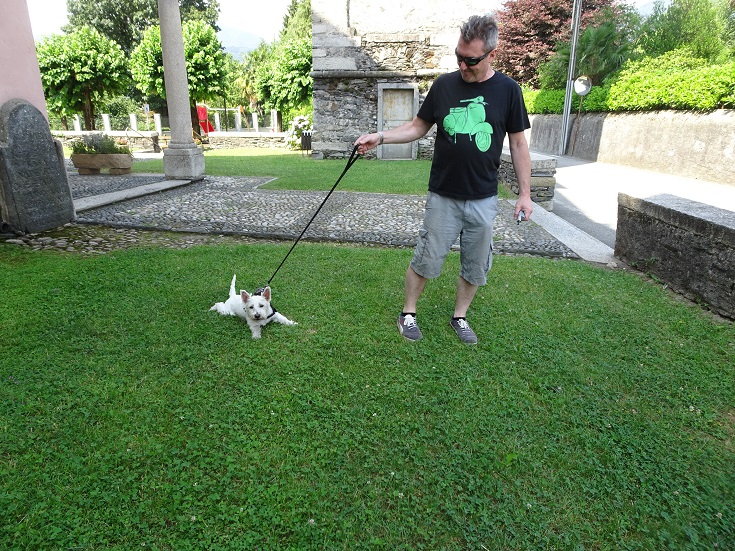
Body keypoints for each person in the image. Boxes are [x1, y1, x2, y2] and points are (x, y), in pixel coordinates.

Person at [354, 13, 533, 345]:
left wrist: (525, 194)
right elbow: (418, 126)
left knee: (476, 263)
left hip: (483, 197)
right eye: (459, 57)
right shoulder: (444, 85)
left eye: (471, 60)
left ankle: (460, 316)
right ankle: (408, 313)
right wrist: (380, 137)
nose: (463, 66)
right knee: (427, 256)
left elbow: (519, 143)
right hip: (443, 196)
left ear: (492, 54)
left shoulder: (508, 90)